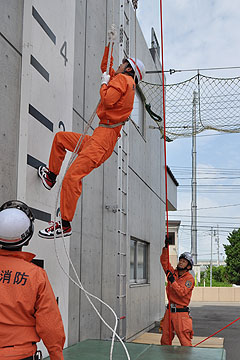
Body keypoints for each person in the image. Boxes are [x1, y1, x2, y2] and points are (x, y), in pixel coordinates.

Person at [37, 44, 145, 239]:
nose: (119, 65)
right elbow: (106, 67)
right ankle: (51, 176)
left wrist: (104, 84)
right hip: (100, 138)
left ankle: (64, 224)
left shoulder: (123, 80)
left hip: (101, 141)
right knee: (61, 139)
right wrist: (110, 44)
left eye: (123, 63)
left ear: (129, 69)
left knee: (72, 177)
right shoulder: (126, 83)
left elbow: (107, 101)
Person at [0, 200, 65, 359]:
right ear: (27, 239)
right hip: (20, 355)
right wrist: (56, 355)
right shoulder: (36, 276)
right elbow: (50, 326)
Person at [160, 236, 195, 346]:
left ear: (188, 266)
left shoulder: (189, 279)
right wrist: (166, 247)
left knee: (185, 341)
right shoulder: (172, 273)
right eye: (180, 260)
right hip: (169, 312)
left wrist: (172, 281)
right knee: (165, 339)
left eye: (184, 261)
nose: (180, 262)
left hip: (181, 314)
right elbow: (164, 262)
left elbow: (181, 293)